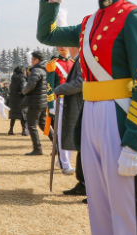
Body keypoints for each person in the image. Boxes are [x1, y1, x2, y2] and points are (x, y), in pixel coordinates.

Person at [37, 0, 137, 234]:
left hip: (121, 118)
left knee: (129, 213)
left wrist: (135, 142)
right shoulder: (91, 21)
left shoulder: (134, 17)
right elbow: (47, 36)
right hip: (90, 116)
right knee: (100, 213)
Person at [53, 48, 87, 199]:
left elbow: (80, 82)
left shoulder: (81, 59)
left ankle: (86, 185)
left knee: (85, 147)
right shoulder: (79, 59)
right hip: (80, 104)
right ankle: (83, 184)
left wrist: (60, 89)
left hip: (82, 104)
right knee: (82, 147)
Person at [46, 47, 76, 174]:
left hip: (73, 101)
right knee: (62, 132)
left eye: (65, 45)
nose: (63, 48)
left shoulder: (74, 63)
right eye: (60, 45)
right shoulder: (53, 64)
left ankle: (62, 161)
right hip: (60, 101)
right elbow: (49, 86)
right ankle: (65, 163)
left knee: (71, 133)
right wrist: (51, 104)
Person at [22, 51, 51, 155]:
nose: (31, 61)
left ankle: (37, 149)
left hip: (35, 102)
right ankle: (56, 146)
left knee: (32, 126)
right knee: (43, 124)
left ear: (36, 60)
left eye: (32, 59)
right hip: (44, 101)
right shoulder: (45, 69)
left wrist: (23, 91)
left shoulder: (36, 70)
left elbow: (30, 86)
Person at [8, 66, 28, 136]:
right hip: (20, 99)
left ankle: (11, 130)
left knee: (13, 116)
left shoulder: (13, 79)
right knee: (23, 116)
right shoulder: (23, 79)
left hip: (13, 99)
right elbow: (23, 89)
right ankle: (23, 131)